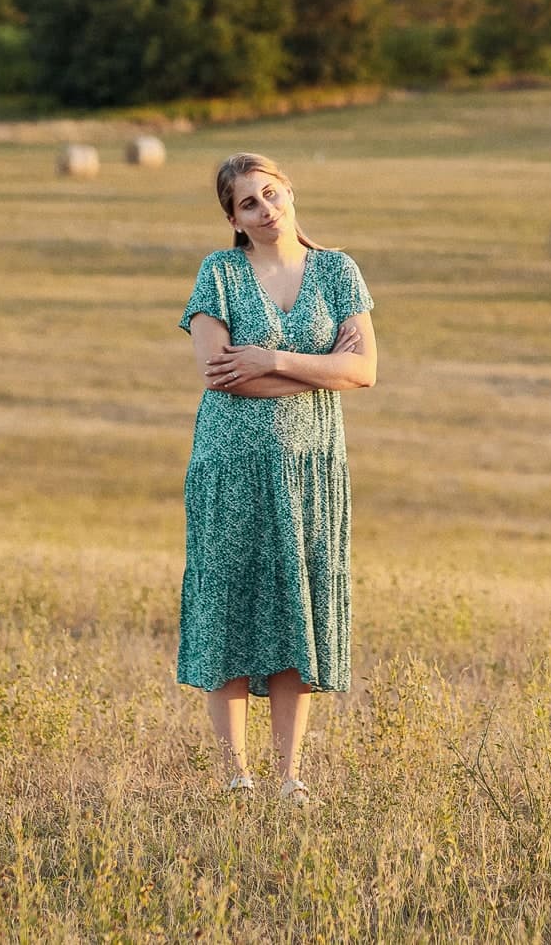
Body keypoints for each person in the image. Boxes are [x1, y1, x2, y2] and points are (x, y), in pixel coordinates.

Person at [177, 152, 378, 804]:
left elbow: (366, 371)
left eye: (271, 193)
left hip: (311, 468)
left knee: (297, 613)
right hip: (230, 465)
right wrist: (320, 366)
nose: (266, 210)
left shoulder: (338, 271)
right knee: (230, 610)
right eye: (248, 204)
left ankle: (290, 775)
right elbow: (222, 375)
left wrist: (271, 357)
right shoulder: (221, 274)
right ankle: (236, 774)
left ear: (289, 190)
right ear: (233, 218)